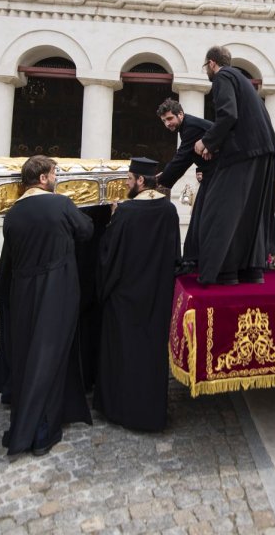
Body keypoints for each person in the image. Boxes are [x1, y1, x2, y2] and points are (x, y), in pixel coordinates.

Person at [0, 155, 93, 456]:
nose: (56, 178)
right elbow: (86, 231)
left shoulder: (12, 213)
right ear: (42, 178)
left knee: (28, 356)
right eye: (54, 174)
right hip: (57, 289)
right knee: (51, 355)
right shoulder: (60, 204)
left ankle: (25, 422)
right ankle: (40, 430)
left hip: (23, 291)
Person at [94, 157, 180, 431]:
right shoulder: (168, 210)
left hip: (125, 298)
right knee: (151, 356)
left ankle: (121, 410)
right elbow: (174, 254)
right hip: (157, 296)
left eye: (130, 179)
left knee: (124, 354)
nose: (127, 184)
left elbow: (109, 255)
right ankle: (150, 413)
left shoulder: (127, 212)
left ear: (141, 181)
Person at [193, 46, 275, 285]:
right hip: (265, 153)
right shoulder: (243, 80)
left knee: (220, 208)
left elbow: (228, 115)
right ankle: (251, 271)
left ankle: (223, 271)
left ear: (211, 63)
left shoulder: (223, 77)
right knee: (250, 215)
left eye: (206, 67)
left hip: (245, 152)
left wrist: (206, 142)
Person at [155, 98, 214, 274]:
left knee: (204, 219)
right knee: (198, 218)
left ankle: (195, 262)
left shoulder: (191, 127)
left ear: (180, 114)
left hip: (222, 175)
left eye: (170, 118)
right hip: (212, 176)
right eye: (164, 121)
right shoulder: (187, 127)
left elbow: (182, 158)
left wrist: (161, 181)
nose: (167, 124)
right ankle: (193, 260)